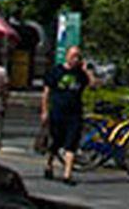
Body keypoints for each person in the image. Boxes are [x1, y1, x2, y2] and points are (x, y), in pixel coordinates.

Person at [40, 44, 90, 184]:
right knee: (56, 141)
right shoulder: (56, 71)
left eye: (78, 56)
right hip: (57, 112)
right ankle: (49, 164)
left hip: (74, 113)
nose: (76, 59)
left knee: (71, 143)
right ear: (67, 56)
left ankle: (67, 174)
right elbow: (46, 92)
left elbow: (92, 84)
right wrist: (44, 110)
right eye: (73, 56)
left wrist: (86, 70)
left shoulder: (80, 74)